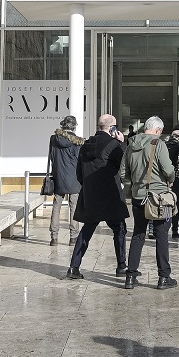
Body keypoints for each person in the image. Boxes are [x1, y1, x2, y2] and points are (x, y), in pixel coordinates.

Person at [66, 115, 129, 280]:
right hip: (111, 194)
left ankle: (74, 267)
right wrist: (122, 143)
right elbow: (125, 166)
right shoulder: (114, 145)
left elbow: (79, 173)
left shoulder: (85, 145)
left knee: (86, 230)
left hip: (91, 194)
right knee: (119, 229)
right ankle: (121, 266)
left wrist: (88, 185)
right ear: (112, 128)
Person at [121, 117, 177, 289]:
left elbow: (123, 172)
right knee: (161, 235)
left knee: (138, 234)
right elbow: (168, 170)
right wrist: (171, 178)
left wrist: (136, 184)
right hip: (159, 197)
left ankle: (130, 276)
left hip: (139, 196)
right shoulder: (158, 144)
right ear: (158, 130)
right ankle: (163, 277)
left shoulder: (131, 144)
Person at [46, 116, 84, 246]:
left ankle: (54, 238)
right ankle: (73, 238)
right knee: (74, 208)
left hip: (59, 176)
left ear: (63, 125)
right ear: (74, 126)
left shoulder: (53, 139)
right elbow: (80, 161)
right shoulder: (77, 142)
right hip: (74, 178)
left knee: (56, 207)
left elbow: (51, 157)